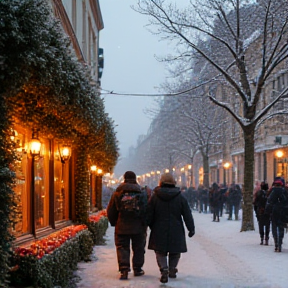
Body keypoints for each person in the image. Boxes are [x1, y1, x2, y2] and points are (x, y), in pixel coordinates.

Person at [146, 173, 195, 284]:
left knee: (160, 251)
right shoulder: (180, 197)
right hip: (176, 228)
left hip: (159, 227)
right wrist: (191, 228)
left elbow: (149, 213)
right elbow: (187, 214)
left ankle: (164, 269)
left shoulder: (155, 197)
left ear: (161, 182)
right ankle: (172, 269)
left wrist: (149, 225)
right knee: (175, 250)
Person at [107, 171, 147, 280]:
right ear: (135, 179)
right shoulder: (142, 192)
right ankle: (138, 269)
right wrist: (145, 223)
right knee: (138, 248)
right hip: (138, 226)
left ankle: (124, 269)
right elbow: (145, 209)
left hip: (122, 225)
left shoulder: (118, 193)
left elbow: (111, 210)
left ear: (124, 179)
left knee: (122, 247)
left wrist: (114, 222)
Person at [265, 179, 288, 252]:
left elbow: (269, 201)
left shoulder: (273, 191)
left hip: (274, 212)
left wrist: (268, 211)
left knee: (274, 227)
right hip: (283, 212)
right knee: (281, 228)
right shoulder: (284, 191)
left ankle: (276, 243)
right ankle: (280, 242)